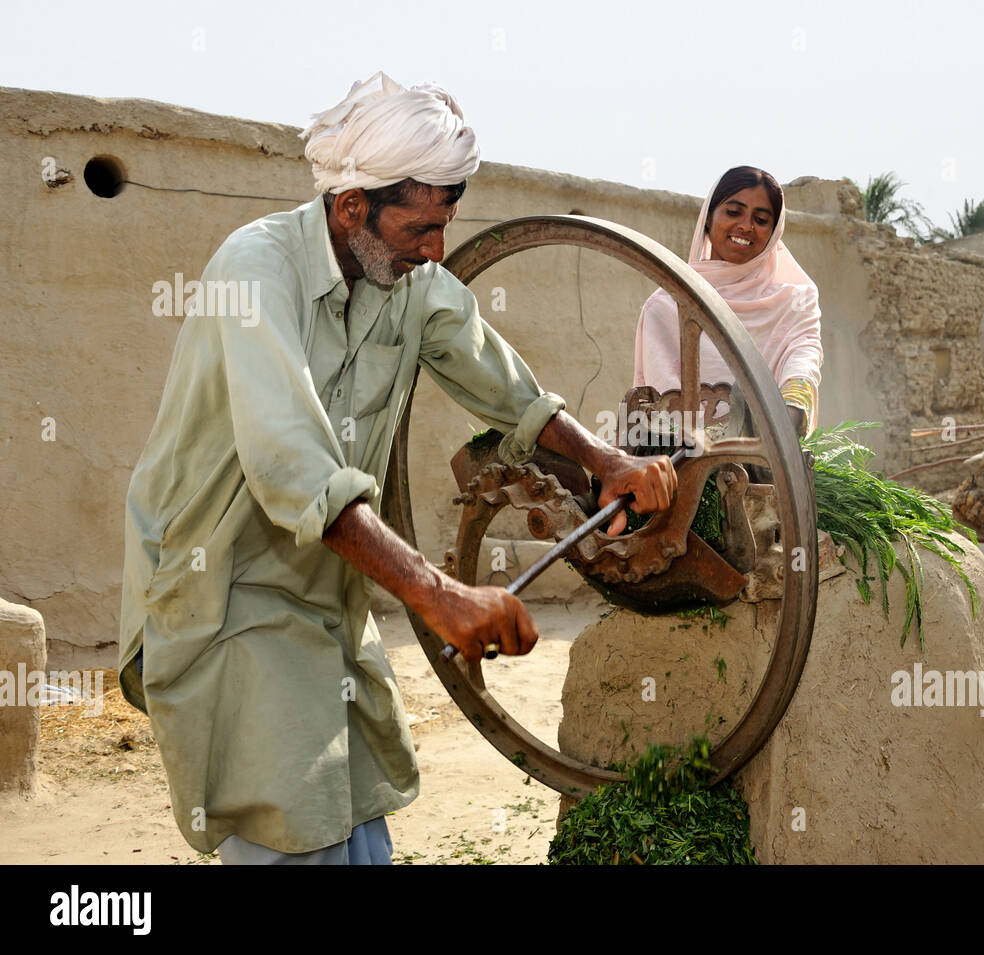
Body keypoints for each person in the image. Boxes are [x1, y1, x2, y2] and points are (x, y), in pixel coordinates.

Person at [117, 73, 677, 865]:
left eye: (445, 227)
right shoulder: (255, 272)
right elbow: (293, 465)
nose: (437, 250)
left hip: (321, 595)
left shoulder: (408, 286)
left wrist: (604, 458)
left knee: (357, 816)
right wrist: (439, 593)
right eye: (421, 228)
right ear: (353, 208)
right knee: (291, 820)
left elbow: (505, 387)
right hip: (222, 591)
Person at [633, 166, 823, 438]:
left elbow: (803, 357)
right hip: (686, 462)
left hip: (770, 454)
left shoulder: (795, 301)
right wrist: (711, 447)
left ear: (773, 233)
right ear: (708, 218)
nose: (746, 226)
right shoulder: (667, 305)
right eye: (733, 212)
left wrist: (787, 414)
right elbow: (663, 397)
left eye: (761, 219)